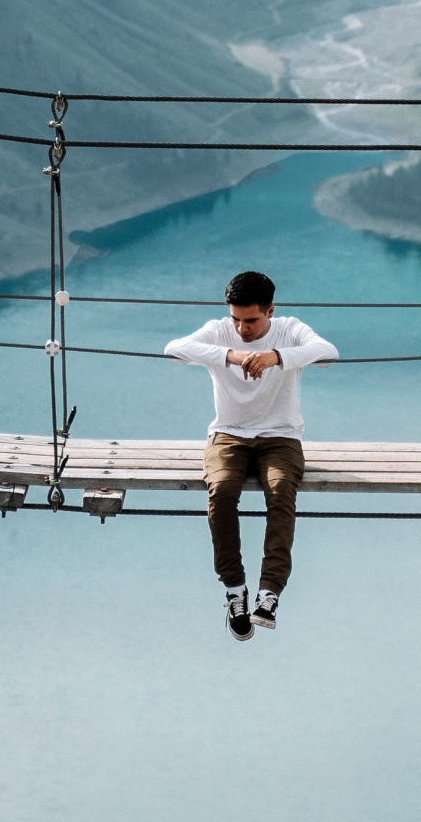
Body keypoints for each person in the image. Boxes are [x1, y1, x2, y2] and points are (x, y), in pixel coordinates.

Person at [164, 270, 337, 641]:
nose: (242, 327)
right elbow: (175, 349)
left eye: (251, 320)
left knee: (280, 492)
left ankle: (269, 592)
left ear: (271, 311)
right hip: (228, 435)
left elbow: (328, 352)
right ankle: (234, 589)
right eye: (236, 319)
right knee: (222, 490)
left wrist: (276, 357)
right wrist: (230, 355)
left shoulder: (289, 329)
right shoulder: (221, 332)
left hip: (281, 436)